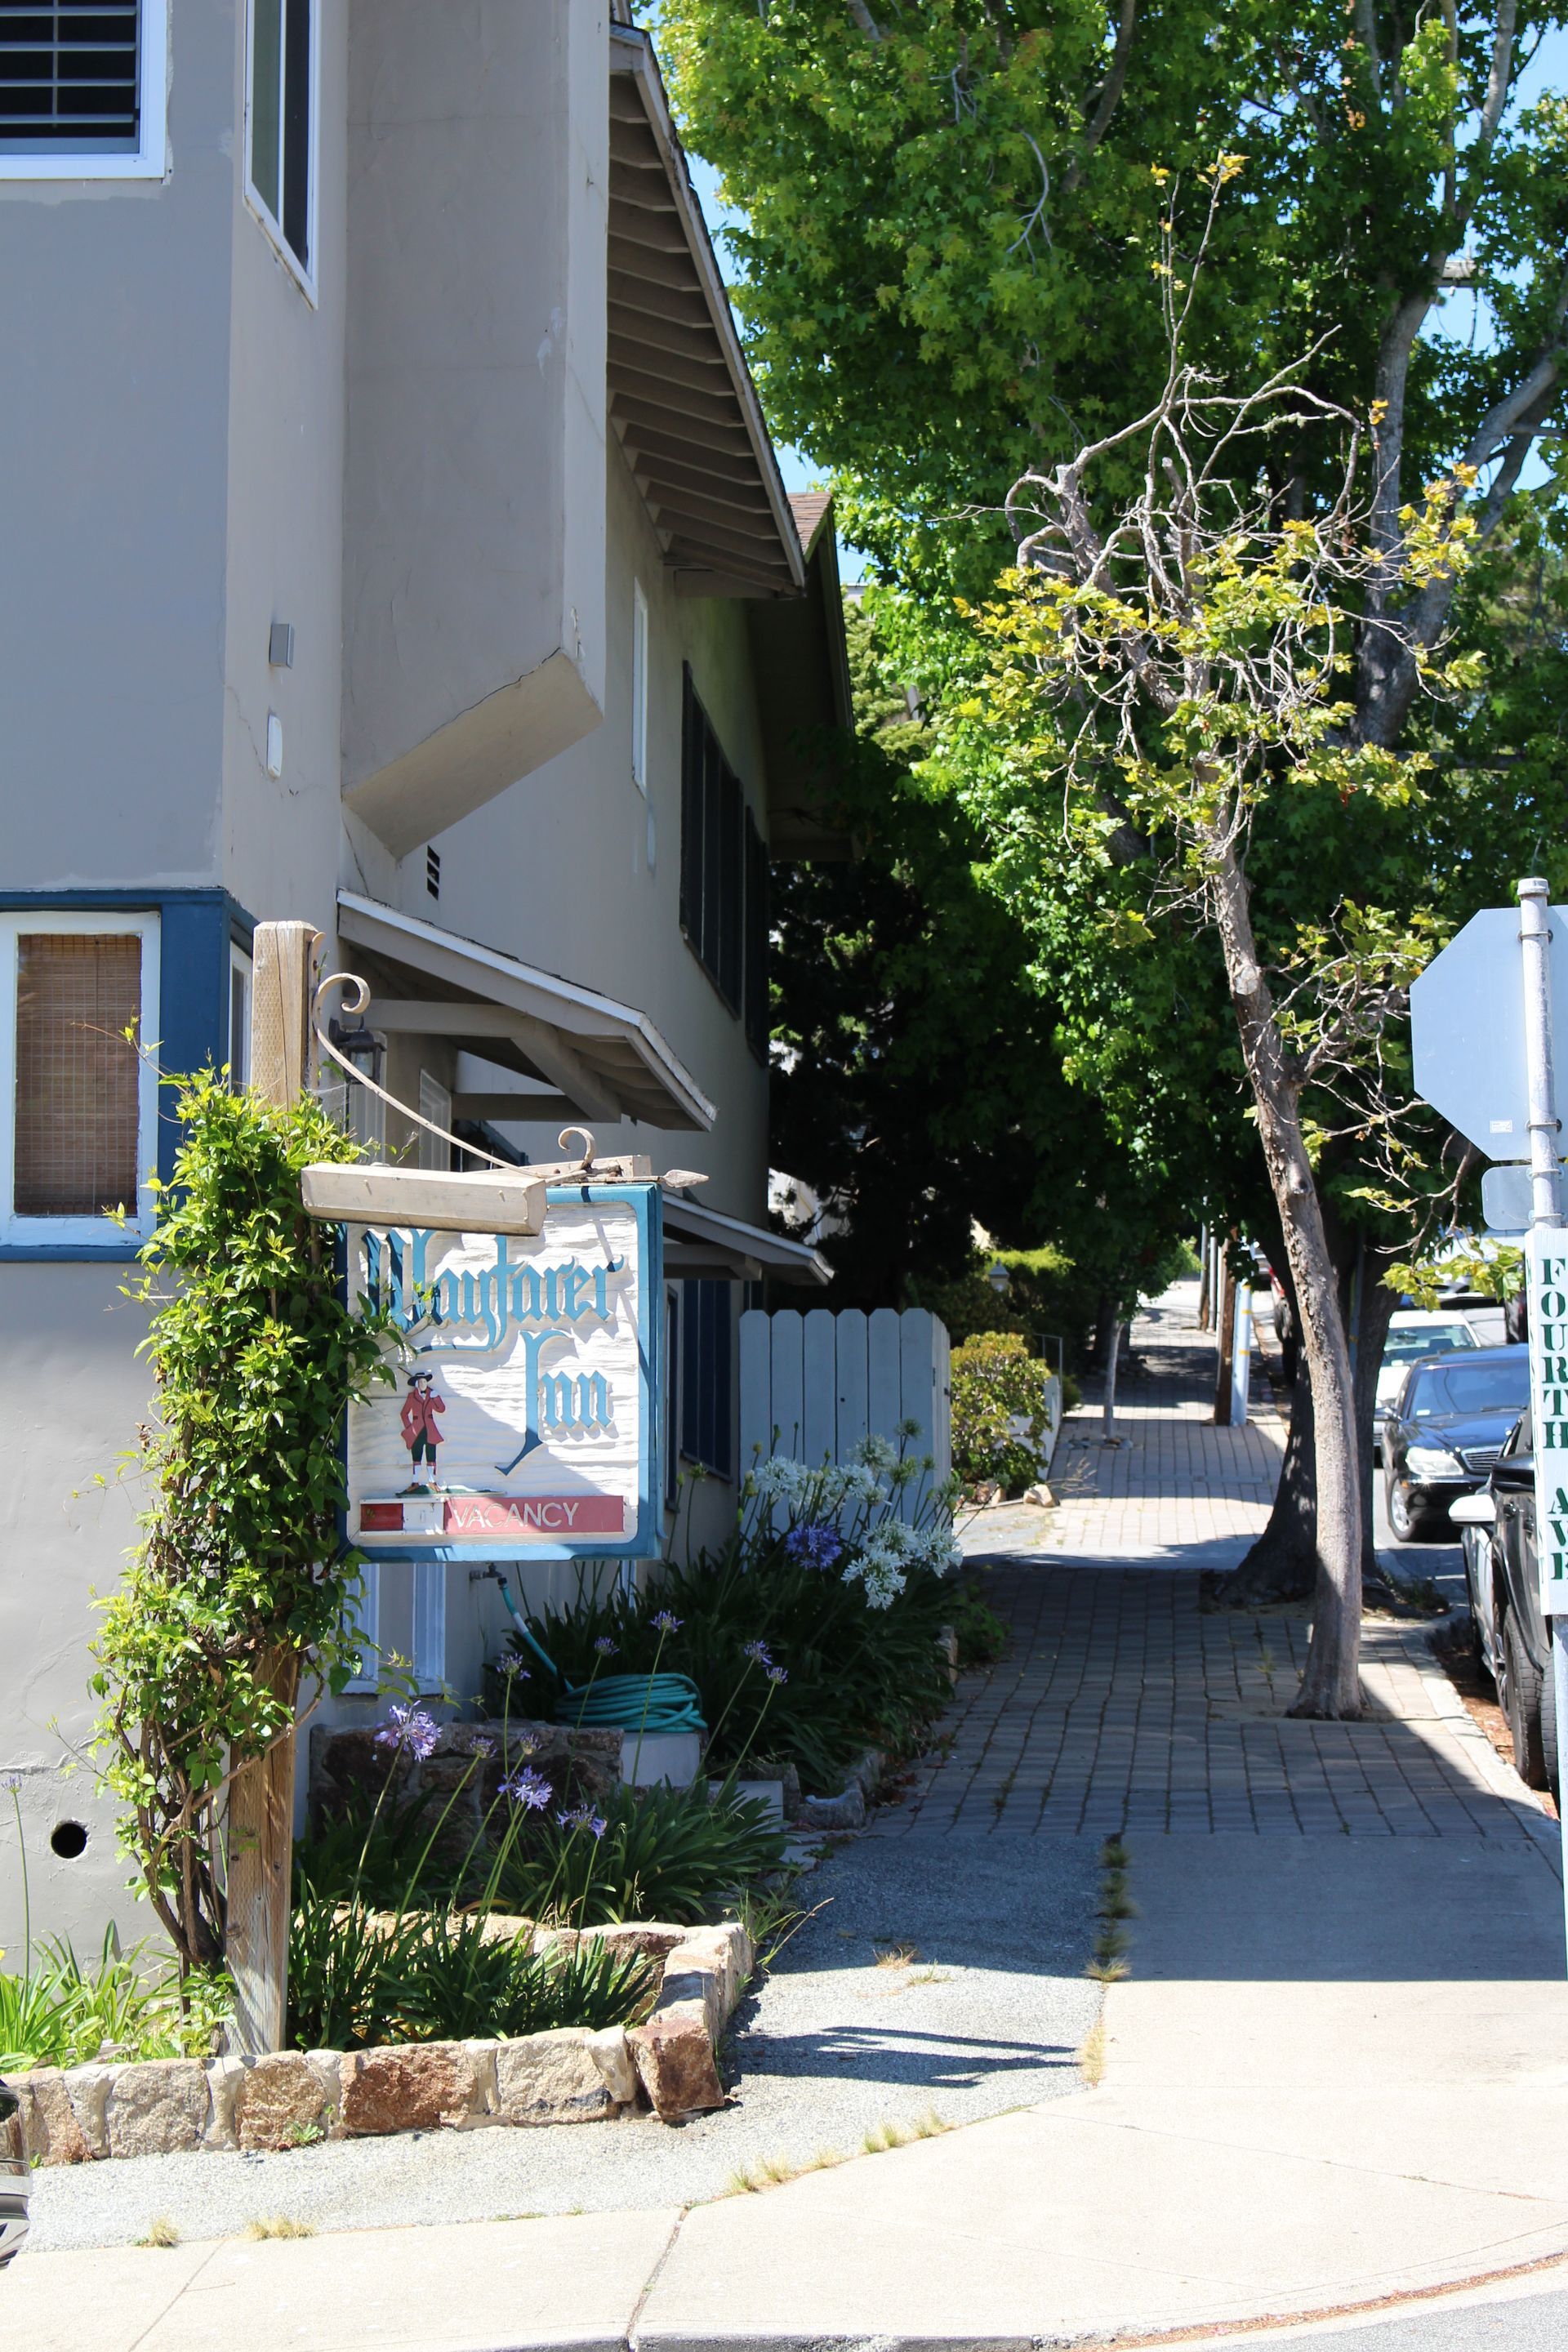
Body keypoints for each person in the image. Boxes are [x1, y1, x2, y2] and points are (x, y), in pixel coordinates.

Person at [399, 1368, 445, 1493]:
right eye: (420, 1382)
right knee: (416, 1457)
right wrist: (409, 1428)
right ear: (417, 1384)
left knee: (431, 1456)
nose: (423, 1384)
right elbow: (404, 1413)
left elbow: (441, 1409)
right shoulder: (412, 1396)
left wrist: (436, 1398)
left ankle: (432, 1481)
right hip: (416, 1431)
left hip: (430, 1430)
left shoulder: (431, 1395)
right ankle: (415, 1482)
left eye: (425, 1382)